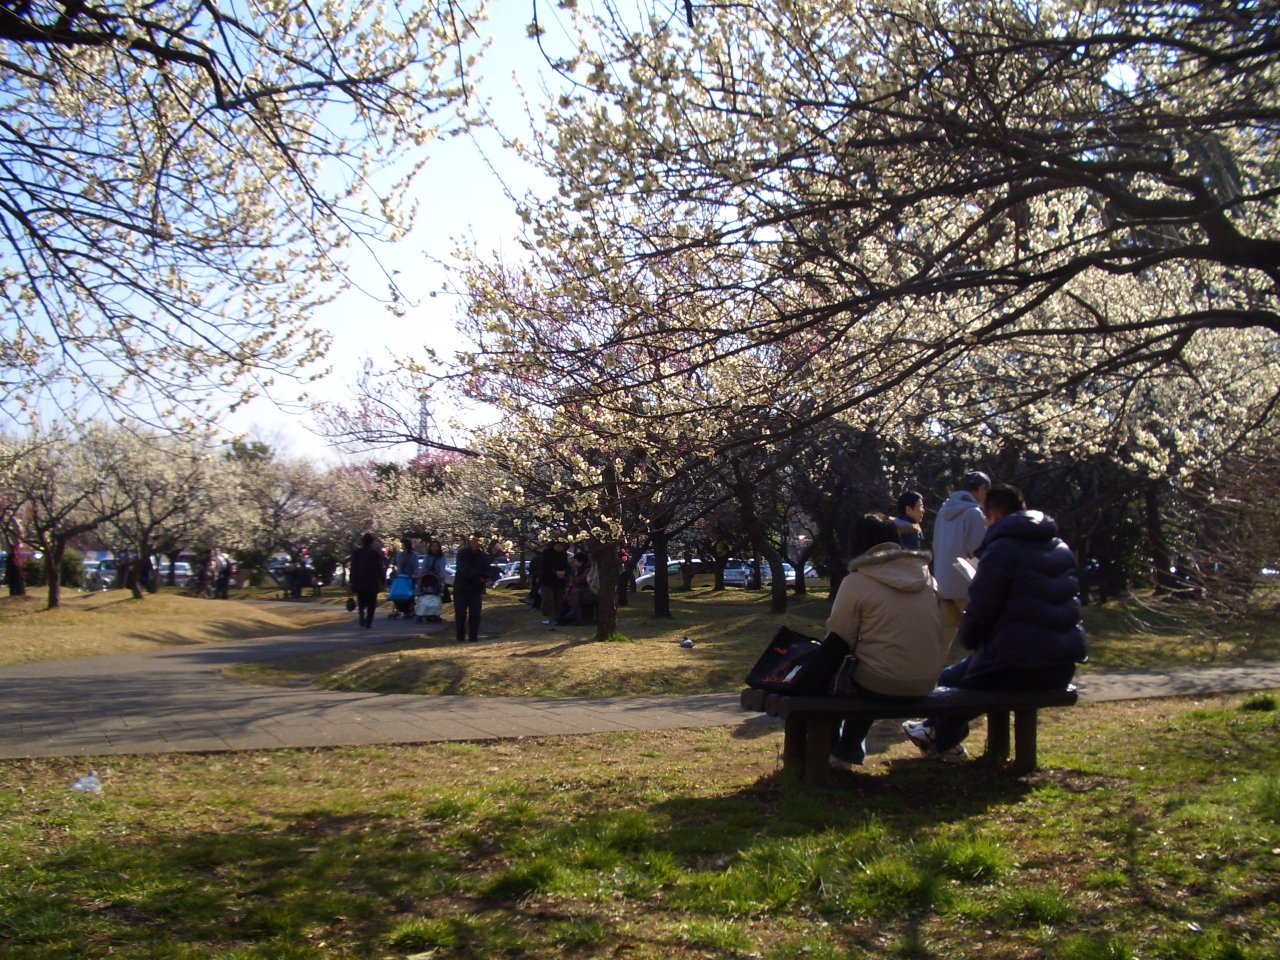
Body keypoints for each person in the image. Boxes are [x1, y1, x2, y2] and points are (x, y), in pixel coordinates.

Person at [903, 484, 1088, 760]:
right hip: (1061, 665)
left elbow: (981, 610)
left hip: (1017, 664)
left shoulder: (1001, 549)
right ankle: (935, 734)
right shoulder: (1059, 546)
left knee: (950, 683)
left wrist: (971, 637)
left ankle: (942, 739)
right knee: (956, 676)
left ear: (994, 516)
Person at [825, 513, 948, 771]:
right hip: (926, 679)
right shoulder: (928, 578)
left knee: (831, 677)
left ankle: (837, 751)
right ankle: (847, 749)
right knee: (877, 666)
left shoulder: (857, 581)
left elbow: (838, 638)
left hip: (880, 681)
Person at [932, 470, 990, 641]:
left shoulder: (943, 512)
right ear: (980, 489)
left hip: (943, 582)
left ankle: (930, 668)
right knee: (981, 636)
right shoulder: (973, 513)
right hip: (965, 584)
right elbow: (978, 549)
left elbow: (936, 544)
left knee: (940, 639)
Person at [452, 532, 491, 642]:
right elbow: (464, 570)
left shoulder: (483, 556)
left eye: (478, 541)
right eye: (474, 541)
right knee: (460, 614)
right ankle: (460, 637)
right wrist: (479, 576)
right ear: (470, 542)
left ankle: (473, 636)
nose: (476, 543)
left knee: (475, 614)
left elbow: (487, 570)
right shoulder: (462, 554)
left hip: (476, 589)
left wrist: (485, 577)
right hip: (461, 588)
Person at [347, 532, 385, 629]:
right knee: (371, 603)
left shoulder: (356, 553)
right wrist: (383, 580)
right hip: (372, 582)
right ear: (372, 542)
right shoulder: (375, 553)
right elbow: (379, 568)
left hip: (359, 581)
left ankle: (361, 615)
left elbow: (353, 568)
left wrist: (351, 580)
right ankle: (368, 622)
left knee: (361, 601)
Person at [540, 536, 570, 631]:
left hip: (559, 582)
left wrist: (564, 572)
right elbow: (544, 567)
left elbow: (567, 566)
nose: (560, 548)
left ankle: (555, 618)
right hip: (547, 581)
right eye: (558, 546)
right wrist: (554, 572)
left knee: (558, 600)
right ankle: (550, 618)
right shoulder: (546, 554)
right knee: (549, 600)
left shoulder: (564, 555)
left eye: (561, 546)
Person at [418, 540, 449, 623]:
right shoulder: (427, 556)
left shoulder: (442, 557)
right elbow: (423, 567)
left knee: (437, 595)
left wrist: (441, 577)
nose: (434, 548)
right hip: (427, 577)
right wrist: (423, 573)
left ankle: (435, 613)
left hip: (437, 578)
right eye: (433, 546)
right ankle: (423, 612)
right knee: (424, 594)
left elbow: (442, 568)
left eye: (436, 546)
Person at [388, 537, 419, 619]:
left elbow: (416, 566)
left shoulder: (414, 555)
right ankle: (400, 608)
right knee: (401, 591)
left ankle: (410, 609)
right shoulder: (400, 555)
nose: (402, 546)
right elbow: (399, 566)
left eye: (403, 544)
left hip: (411, 577)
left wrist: (415, 574)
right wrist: (400, 575)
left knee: (410, 593)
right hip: (402, 577)